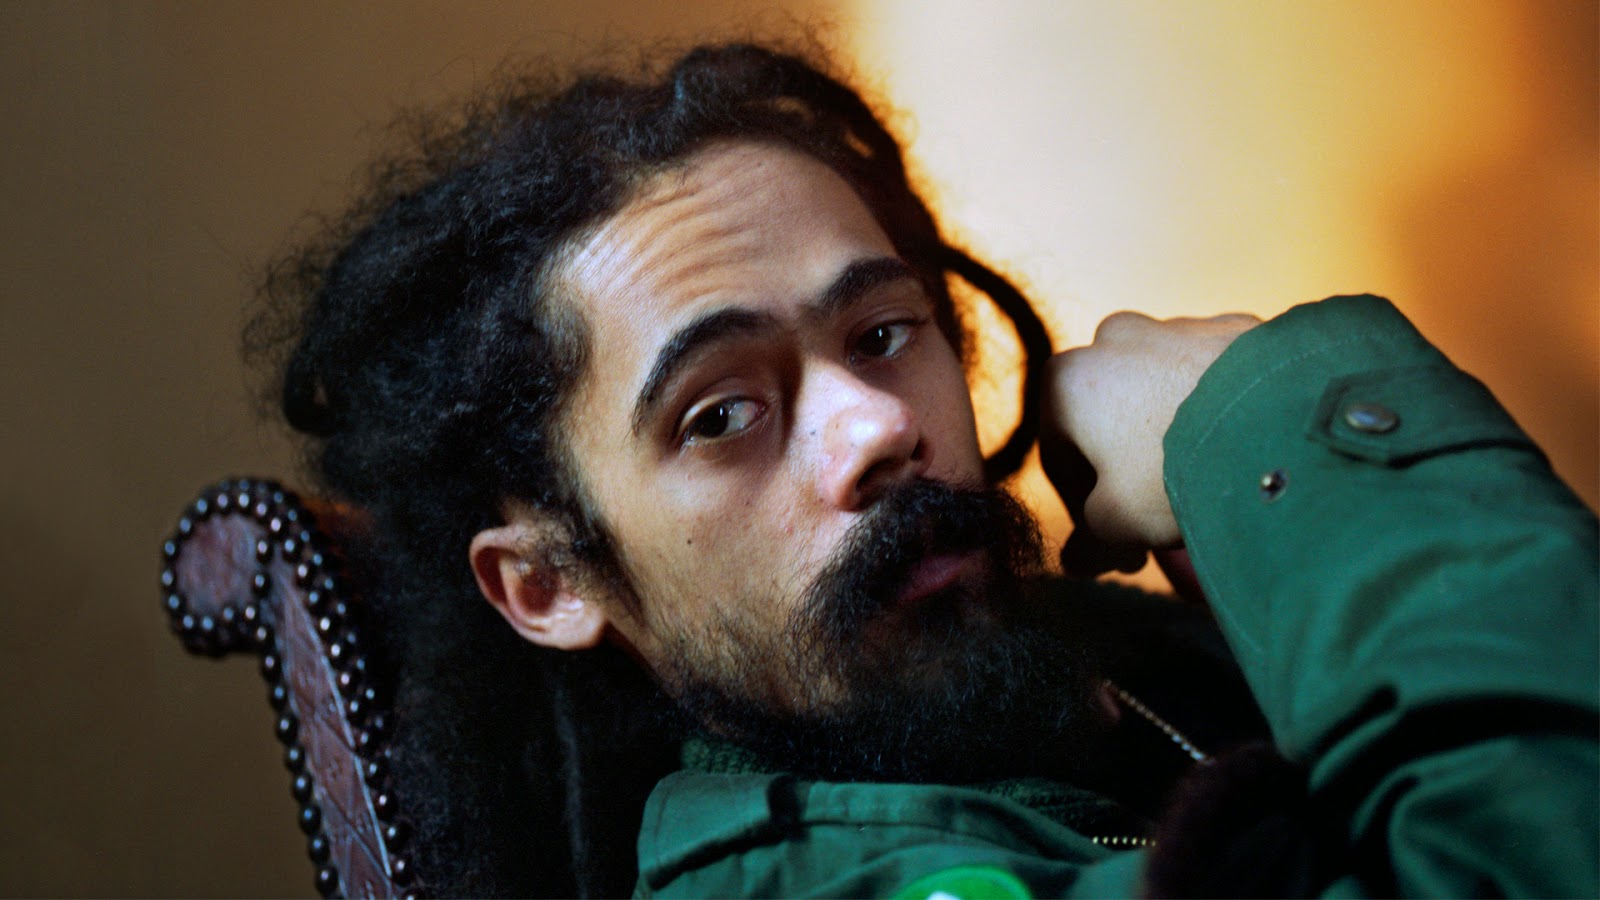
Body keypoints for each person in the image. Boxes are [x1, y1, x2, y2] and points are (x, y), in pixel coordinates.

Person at [254, 41, 1598, 897]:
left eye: (884, 335)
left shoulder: (1123, 670)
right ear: (551, 585)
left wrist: (1252, 574)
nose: (877, 427)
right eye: (724, 414)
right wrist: (1255, 417)